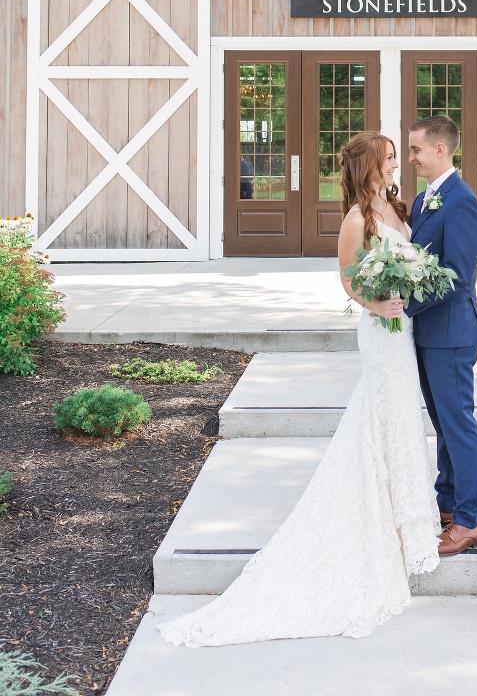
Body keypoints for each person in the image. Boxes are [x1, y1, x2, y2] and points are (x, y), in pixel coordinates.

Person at [158, 132, 439, 647]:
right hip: (382, 333)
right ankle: (380, 520)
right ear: (371, 165)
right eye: (391, 156)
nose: (399, 161)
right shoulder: (359, 219)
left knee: (399, 414)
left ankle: (405, 519)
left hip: (407, 331)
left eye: (400, 154)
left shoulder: (398, 208)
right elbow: (349, 280)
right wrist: (377, 306)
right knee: (384, 411)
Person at [405, 116, 477, 556]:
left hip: (452, 332)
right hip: (426, 333)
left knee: (458, 425)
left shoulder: (461, 202)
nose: (411, 158)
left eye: (416, 150)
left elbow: (457, 275)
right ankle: (449, 504)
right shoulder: (424, 201)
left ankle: (471, 519)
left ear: (440, 150)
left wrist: (405, 304)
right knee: (442, 425)